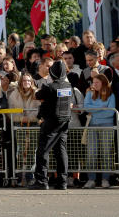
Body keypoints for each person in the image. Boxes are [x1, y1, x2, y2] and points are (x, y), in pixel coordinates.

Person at [31, 60, 72, 190]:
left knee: (43, 151)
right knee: (61, 151)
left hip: (51, 122)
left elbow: (37, 96)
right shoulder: (68, 86)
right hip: (64, 121)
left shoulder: (49, 87)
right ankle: (62, 182)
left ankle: (41, 181)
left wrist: (35, 89)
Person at [82, 74, 116, 188]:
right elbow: (86, 108)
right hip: (92, 125)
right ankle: (91, 179)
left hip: (107, 125)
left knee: (106, 152)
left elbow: (111, 112)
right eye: (93, 82)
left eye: (97, 82)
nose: (94, 84)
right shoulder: (89, 94)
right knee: (91, 153)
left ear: (103, 83)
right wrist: (102, 108)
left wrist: (95, 110)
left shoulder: (111, 95)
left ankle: (105, 179)